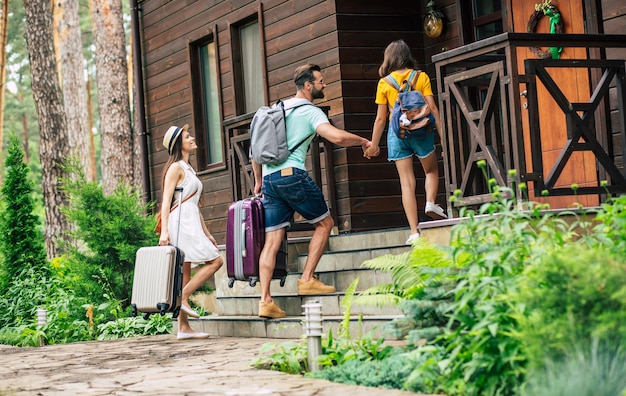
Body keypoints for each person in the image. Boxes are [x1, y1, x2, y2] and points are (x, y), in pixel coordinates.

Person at [252, 64, 374, 319]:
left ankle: (265, 301)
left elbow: (256, 148)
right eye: (321, 81)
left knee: (272, 241)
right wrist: (363, 141)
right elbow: (336, 138)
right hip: (292, 176)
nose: (324, 84)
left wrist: (258, 180)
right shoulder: (309, 111)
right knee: (325, 223)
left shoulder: (277, 109)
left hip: (270, 179)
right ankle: (307, 278)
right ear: (308, 85)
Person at [364, 39, 447, 245]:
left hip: (397, 135)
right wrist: (444, 139)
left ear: (389, 58)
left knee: (407, 183)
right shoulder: (421, 77)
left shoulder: (384, 83)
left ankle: (414, 232)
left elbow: (381, 118)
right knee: (431, 171)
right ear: (407, 56)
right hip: (422, 131)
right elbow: (433, 108)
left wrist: (373, 145)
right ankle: (430, 202)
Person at [159, 124, 223, 340]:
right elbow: (167, 201)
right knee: (216, 261)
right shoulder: (175, 168)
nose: (192, 138)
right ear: (179, 144)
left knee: (185, 272)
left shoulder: (188, 170)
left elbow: (194, 204)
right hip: (181, 223)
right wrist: (164, 232)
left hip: (191, 220)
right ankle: (183, 297)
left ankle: (183, 328)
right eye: (188, 136)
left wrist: (207, 233)